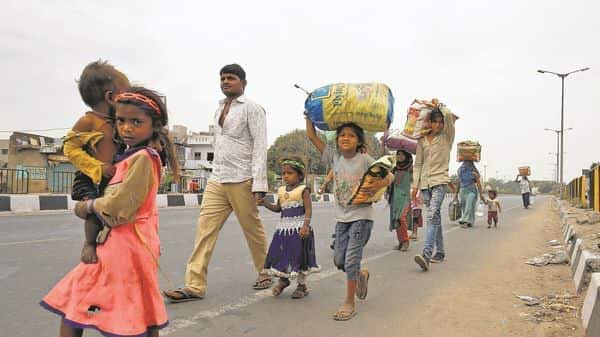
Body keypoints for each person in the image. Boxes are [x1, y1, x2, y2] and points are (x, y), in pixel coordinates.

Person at [41, 86, 179, 337]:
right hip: (123, 244)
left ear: (154, 125)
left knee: (100, 307)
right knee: (130, 311)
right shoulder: (128, 156)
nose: (127, 127)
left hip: (128, 247)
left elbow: (120, 206)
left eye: (136, 122)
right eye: (121, 121)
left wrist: (88, 206)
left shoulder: (144, 159)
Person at [163, 64, 272, 302]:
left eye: (230, 78)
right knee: (204, 230)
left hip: (242, 178)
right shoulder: (219, 108)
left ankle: (266, 271)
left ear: (243, 82)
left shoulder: (253, 109)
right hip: (217, 177)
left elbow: (260, 145)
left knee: (252, 230)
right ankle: (194, 285)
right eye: (222, 78)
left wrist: (259, 184)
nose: (225, 82)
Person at [306, 117, 393, 321]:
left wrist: (376, 185)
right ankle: (360, 274)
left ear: (359, 141)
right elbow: (311, 136)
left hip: (361, 216)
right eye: (342, 135)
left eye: (351, 135)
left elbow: (389, 177)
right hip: (341, 217)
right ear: (336, 140)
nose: (346, 138)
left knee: (351, 259)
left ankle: (349, 302)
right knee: (339, 260)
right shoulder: (334, 158)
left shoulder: (364, 159)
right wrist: (308, 117)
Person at [63, 60, 130, 264]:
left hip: (112, 176)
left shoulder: (120, 123)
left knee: (111, 209)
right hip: (90, 175)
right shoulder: (89, 121)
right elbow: (69, 148)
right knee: (93, 209)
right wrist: (97, 167)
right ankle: (89, 243)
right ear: (111, 97)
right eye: (126, 95)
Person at [258, 157, 319, 298]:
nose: (285, 176)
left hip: (299, 229)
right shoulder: (280, 191)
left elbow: (308, 210)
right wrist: (265, 203)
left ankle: (302, 286)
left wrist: (305, 226)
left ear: (299, 174)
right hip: (283, 230)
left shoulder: (303, 190)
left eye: (289, 173)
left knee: (299, 257)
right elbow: (278, 209)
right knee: (281, 255)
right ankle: (283, 280)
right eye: (284, 173)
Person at [412, 104, 458, 271]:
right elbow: (418, 164)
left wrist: (440, 105)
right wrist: (415, 185)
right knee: (435, 218)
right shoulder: (422, 141)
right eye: (435, 122)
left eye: (440, 122)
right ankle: (440, 253)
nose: (438, 125)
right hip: (425, 184)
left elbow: (449, 119)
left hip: (440, 182)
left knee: (431, 216)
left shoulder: (447, 137)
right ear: (429, 122)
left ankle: (426, 255)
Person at [387, 150, 414, 251]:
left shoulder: (410, 167)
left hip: (404, 197)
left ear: (407, 156)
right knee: (396, 220)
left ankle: (406, 241)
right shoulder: (393, 167)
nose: (400, 156)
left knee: (401, 218)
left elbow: (418, 176)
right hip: (395, 197)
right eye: (398, 154)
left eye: (402, 154)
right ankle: (401, 241)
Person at [455, 160, 484, 228]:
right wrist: (456, 194)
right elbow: (458, 183)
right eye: (465, 163)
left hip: (472, 191)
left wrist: (481, 194)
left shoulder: (474, 173)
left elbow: (478, 183)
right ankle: (470, 222)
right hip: (462, 191)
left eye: (468, 163)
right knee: (465, 207)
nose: (466, 165)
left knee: (469, 204)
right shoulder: (461, 172)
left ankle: (464, 219)